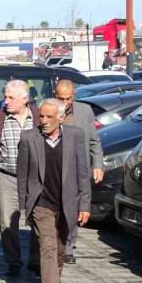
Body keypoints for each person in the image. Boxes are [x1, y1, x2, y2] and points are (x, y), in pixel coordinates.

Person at [17, 98, 91, 283]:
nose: (44, 121)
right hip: (41, 203)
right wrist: (25, 206)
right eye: (42, 116)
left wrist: (85, 204)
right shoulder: (29, 138)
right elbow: (23, 174)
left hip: (67, 204)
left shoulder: (75, 136)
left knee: (59, 251)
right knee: (47, 246)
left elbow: (82, 174)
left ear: (61, 117)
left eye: (50, 117)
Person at [0, 80, 39, 276]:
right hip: (7, 176)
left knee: (38, 220)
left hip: (34, 179)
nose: (6, 101)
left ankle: (37, 261)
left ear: (25, 99)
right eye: (5, 97)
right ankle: (13, 261)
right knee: (7, 222)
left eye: (11, 98)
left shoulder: (38, 117)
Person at [54, 80, 103, 264]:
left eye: (69, 98)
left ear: (74, 95)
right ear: (54, 94)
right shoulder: (48, 109)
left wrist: (97, 164)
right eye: (61, 98)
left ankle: (68, 246)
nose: (65, 103)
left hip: (76, 167)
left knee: (72, 208)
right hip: (54, 166)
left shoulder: (85, 111)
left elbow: (94, 141)